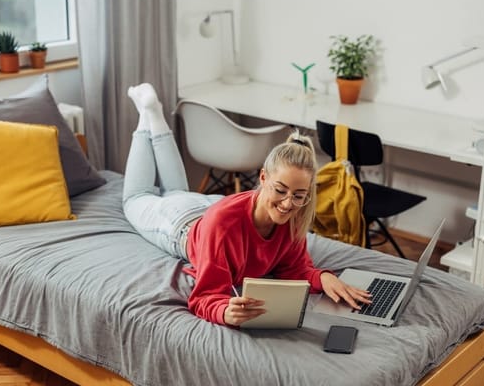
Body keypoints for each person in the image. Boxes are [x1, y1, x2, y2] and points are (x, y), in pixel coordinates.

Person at [123, 83, 371, 327]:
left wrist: (323, 278)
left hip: (208, 206)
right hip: (180, 224)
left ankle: (153, 111)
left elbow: (294, 269)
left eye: (298, 195)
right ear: (263, 178)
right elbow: (204, 297)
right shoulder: (224, 224)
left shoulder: (294, 215)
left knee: (176, 191)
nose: (288, 204)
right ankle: (146, 117)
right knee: (135, 198)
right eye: (280, 190)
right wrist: (224, 312)